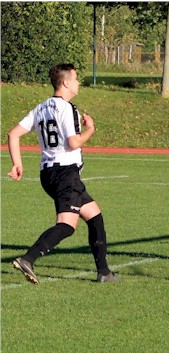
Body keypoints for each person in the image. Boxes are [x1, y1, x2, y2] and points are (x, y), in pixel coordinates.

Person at [6, 63, 120, 284]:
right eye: (76, 78)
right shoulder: (66, 108)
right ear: (66, 82)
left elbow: (13, 134)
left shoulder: (40, 107)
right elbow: (73, 142)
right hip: (64, 173)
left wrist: (16, 164)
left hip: (50, 173)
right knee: (67, 225)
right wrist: (90, 130)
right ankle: (28, 259)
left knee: (95, 217)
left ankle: (104, 272)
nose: (78, 82)